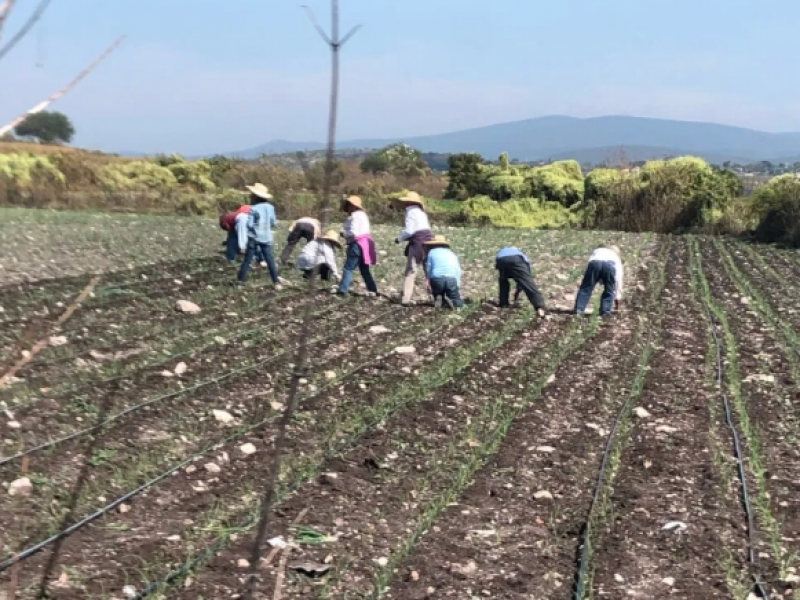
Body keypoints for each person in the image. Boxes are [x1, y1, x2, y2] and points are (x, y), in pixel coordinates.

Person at [237, 183, 281, 288]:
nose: (250, 196)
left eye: (251, 194)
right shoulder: (270, 207)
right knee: (269, 260)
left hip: (254, 237)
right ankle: (276, 282)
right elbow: (273, 222)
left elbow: (250, 224)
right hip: (266, 238)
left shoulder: (253, 208)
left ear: (255, 196)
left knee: (247, 259)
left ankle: (240, 282)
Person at [393, 191, 433, 306]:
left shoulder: (410, 212)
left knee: (411, 270)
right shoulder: (422, 213)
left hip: (418, 243)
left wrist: (399, 239)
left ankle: (406, 298)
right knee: (428, 270)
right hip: (429, 241)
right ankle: (433, 296)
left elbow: (410, 231)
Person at [337, 195, 378, 296]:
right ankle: (372, 289)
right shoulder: (364, 215)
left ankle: (343, 289)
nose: (347, 208)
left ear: (353, 206)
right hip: (366, 244)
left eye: (348, 206)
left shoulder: (354, 216)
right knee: (364, 269)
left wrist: (343, 233)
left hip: (357, 244)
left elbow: (353, 233)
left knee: (348, 268)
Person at [574, 244, 624, 318]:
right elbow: (618, 281)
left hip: (594, 263)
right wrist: (617, 298)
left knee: (586, 288)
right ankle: (605, 312)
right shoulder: (616, 258)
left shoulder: (598, 251)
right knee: (609, 290)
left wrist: (587, 279)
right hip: (610, 265)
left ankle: (578, 310)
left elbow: (590, 264)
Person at [495, 246, 546, 317]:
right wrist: (518, 290)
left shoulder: (503, 250)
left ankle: (503, 304)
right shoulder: (522, 255)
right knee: (529, 284)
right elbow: (525, 277)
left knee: (503, 282)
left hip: (500, 259)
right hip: (515, 259)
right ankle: (539, 307)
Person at [424, 235, 463, 309]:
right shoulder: (451, 253)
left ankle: (439, 299)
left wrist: (428, 279)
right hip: (451, 278)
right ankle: (457, 306)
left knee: (438, 292)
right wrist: (457, 282)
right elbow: (457, 269)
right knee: (454, 296)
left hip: (437, 278)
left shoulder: (431, 252)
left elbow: (429, 267)